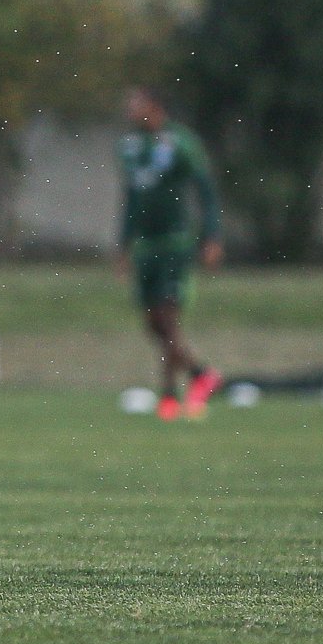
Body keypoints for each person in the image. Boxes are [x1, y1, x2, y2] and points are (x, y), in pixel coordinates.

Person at [115, 87, 224, 421]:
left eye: (136, 104)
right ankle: (198, 375)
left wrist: (212, 235)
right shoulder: (130, 147)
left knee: (167, 318)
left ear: (155, 107)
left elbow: (205, 188)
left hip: (175, 243)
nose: (130, 110)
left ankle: (169, 394)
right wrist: (124, 243)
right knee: (155, 325)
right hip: (146, 246)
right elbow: (132, 198)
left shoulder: (181, 142)